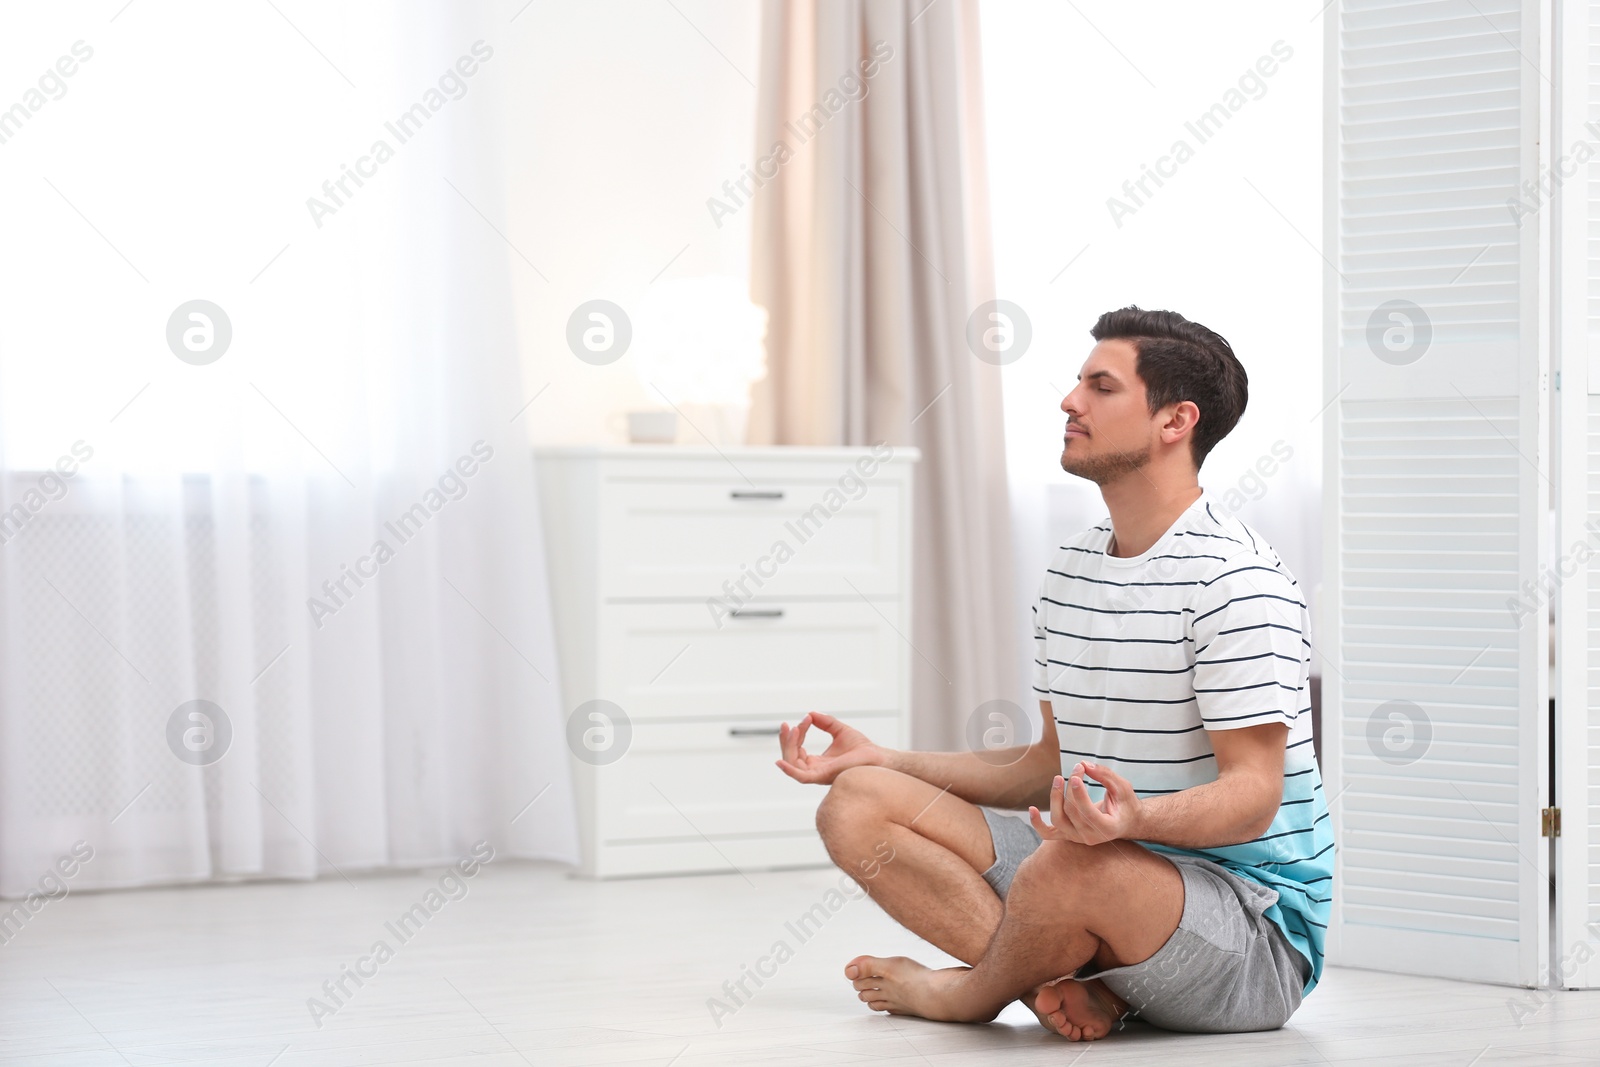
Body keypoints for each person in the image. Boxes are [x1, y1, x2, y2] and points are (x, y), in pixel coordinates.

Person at [774, 306, 1331, 1040]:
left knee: (1063, 866)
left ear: (1175, 422)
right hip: (1096, 865)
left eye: (1101, 386)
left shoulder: (1240, 581)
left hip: (1249, 934)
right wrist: (886, 757)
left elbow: (1253, 797)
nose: (1070, 402)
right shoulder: (1071, 570)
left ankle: (968, 994)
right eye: (1078, 383)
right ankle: (1066, 991)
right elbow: (1046, 765)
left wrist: (1135, 821)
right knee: (857, 801)